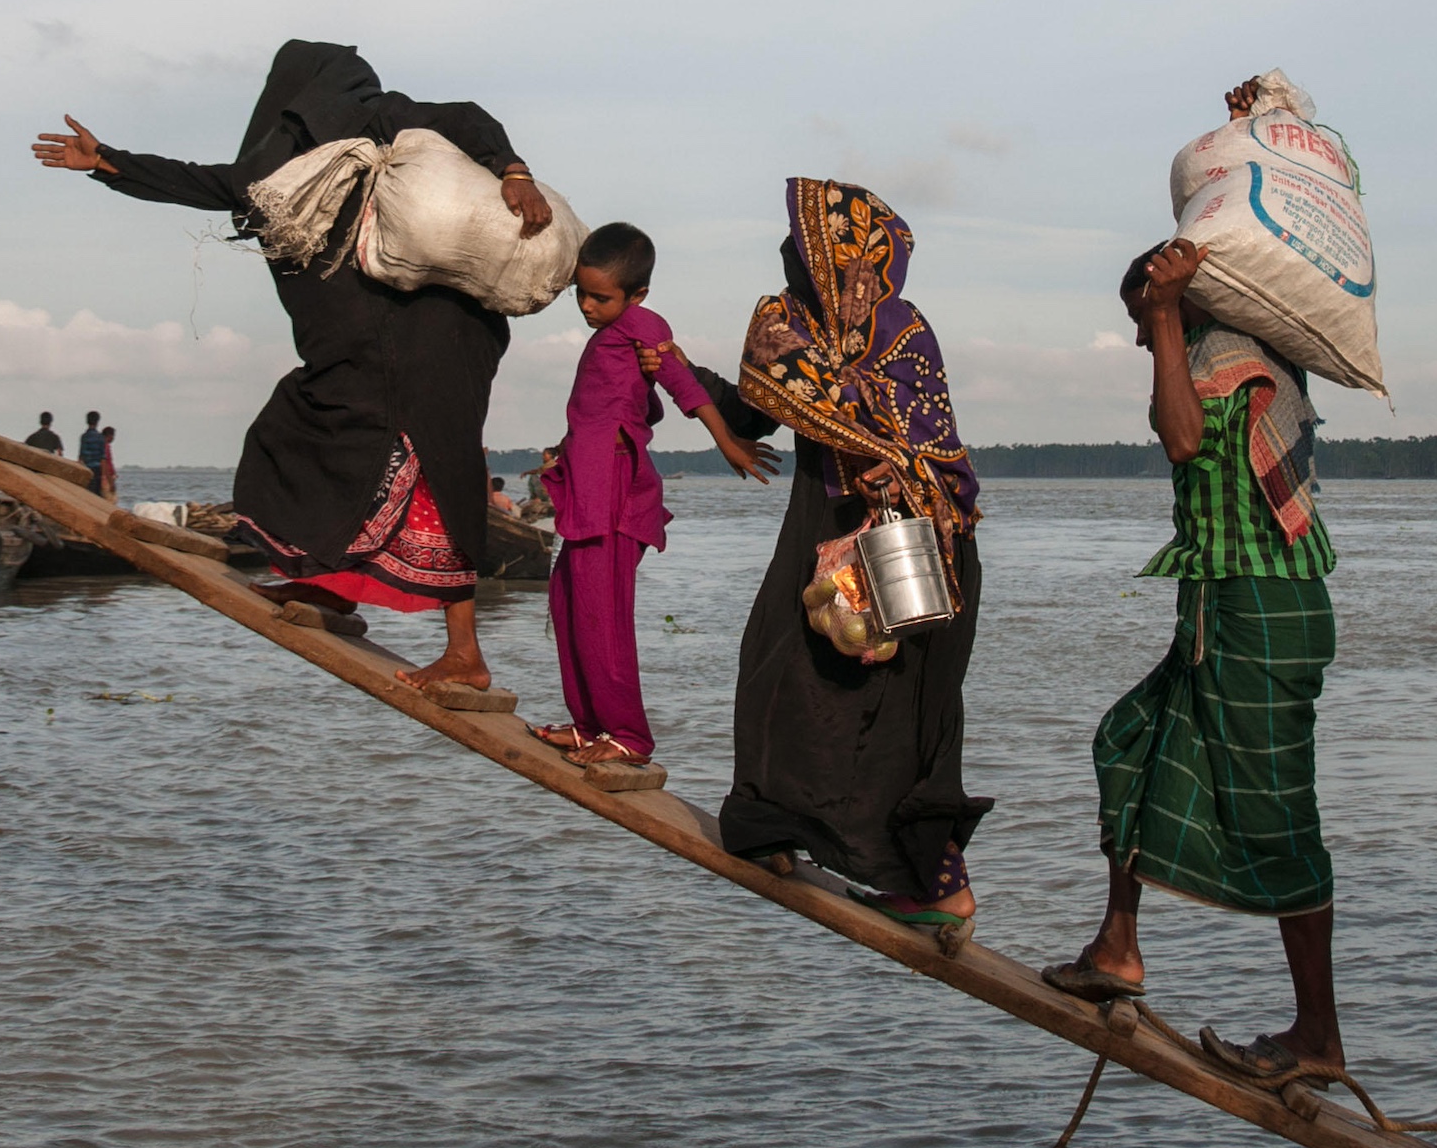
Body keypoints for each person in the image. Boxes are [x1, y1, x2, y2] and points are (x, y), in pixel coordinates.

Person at [30, 39, 552, 691]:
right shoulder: (278, 171)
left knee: (439, 481)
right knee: (307, 442)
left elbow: (468, 118)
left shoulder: (384, 123)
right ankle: (332, 592)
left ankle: (465, 656)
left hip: (429, 339)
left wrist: (514, 170)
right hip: (356, 352)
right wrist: (106, 160)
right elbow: (203, 182)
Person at [1043, 224, 1346, 1083]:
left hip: (1255, 612)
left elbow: (1180, 436)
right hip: (1229, 608)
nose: (1137, 333)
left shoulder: (1226, 357)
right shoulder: (1245, 350)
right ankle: (1118, 947)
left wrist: (1168, 314)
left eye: (1137, 313)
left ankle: (1318, 1035)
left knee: (1279, 819)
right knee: (1128, 742)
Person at [719, 178, 986, 932]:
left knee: (904, 719)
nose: (789, 266)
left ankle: (938, 886)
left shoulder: (900, 329)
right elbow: (758, 396)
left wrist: (884, 453)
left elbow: (922, 435)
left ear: (846, 263)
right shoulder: (787, 327)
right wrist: (676, 375)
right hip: (826, 534)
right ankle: (772, 829)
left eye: (804, 255)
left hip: (913, 543)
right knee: (778, 674)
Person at [528, 222, 776, 773]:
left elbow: (682, 386)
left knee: (602, 615)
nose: (588, 307)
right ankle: (590, 723)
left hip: (614, 487)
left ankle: (630, 736)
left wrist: (728, 442)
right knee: (569, 602)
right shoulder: (615, 333)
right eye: (582, 294)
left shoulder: (641, 323)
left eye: (601, 296)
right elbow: (635, 401)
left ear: (636, 294)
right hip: (589, 483)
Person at [75, 410, 105, 494]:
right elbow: (103, 458)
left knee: (87, 493)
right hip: (97, 469)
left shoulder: (84, 436)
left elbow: (81, 455)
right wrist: (104, 476)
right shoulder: (100, 437)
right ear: (97, 422)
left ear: (87, 421)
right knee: (97, 494)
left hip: (86, 468)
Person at [96, 423, 117, 500]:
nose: (113, 438)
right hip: (106, 478)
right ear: (109, 436)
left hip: (104, 477)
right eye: (113, 436)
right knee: (111, 499)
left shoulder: (100, 445)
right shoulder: (105, 446)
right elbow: (105, 463)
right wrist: (111, 481)